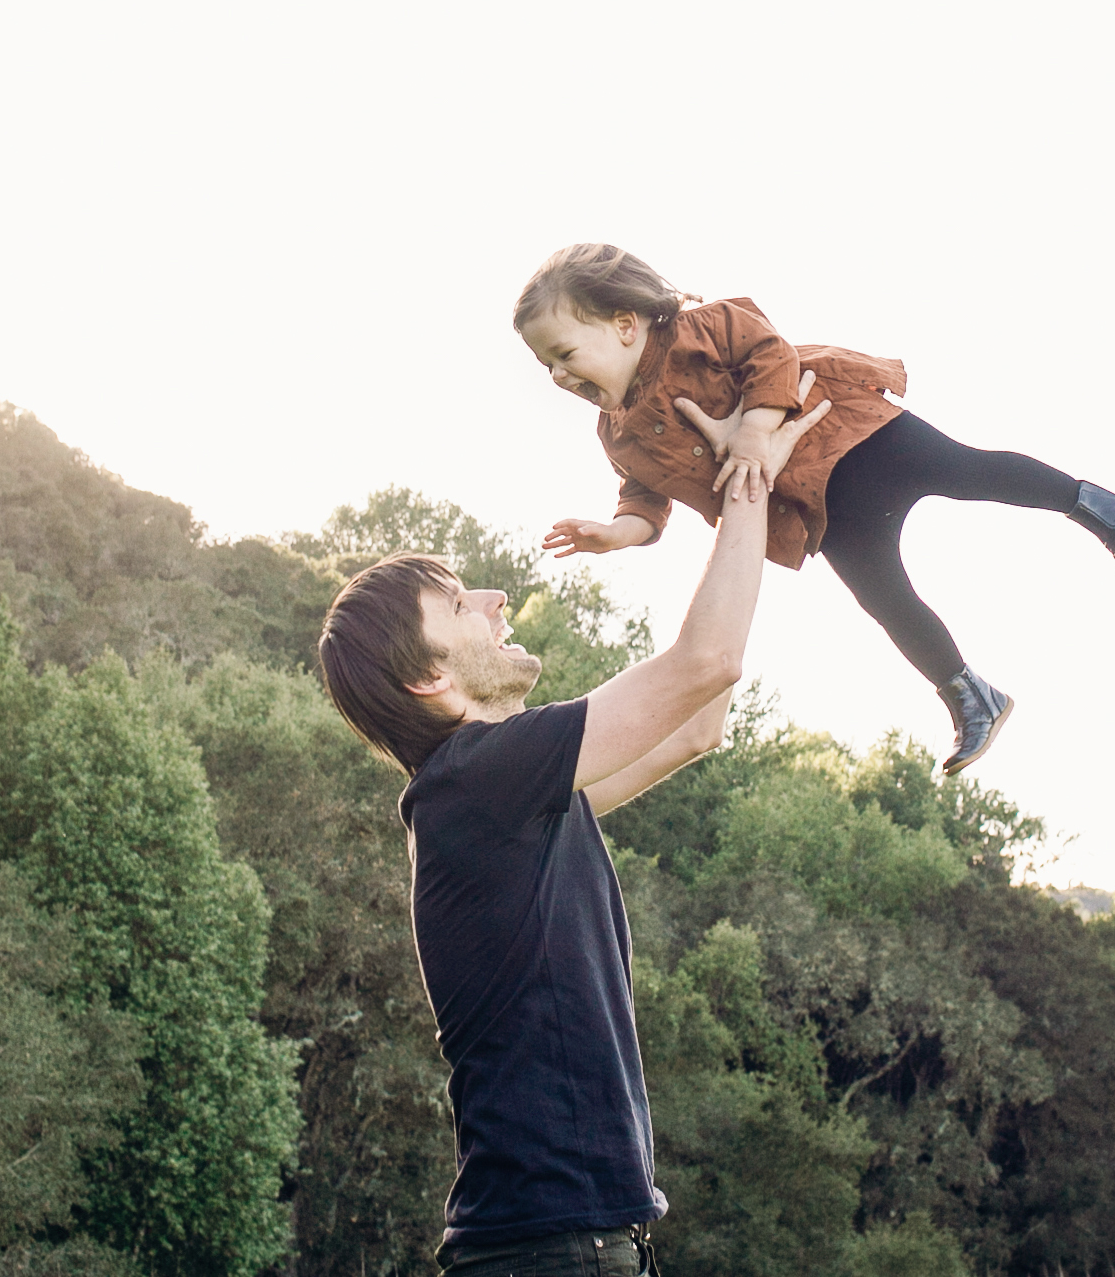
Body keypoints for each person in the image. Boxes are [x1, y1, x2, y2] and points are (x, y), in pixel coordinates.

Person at [316, 380, 827, 1276]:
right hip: (549, 1253)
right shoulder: (475, 782)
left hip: (573, 1246)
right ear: (428, 679)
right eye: (459, 603)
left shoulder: (508, 804)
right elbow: (704, 662)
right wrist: (749, 481)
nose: (496, 596)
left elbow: (698, 719)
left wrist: (726, 498)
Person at [513, 242, 1115, 775]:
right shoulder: (619, 435)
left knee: (968, 470)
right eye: (546, 367)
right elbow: (646, 501)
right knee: (883, 598)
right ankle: (971, 695)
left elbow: (769, 352)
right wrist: (617, 533)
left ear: (625, 324)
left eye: (565, 355)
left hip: (849, 435)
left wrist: (756, 431)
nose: (559, 378)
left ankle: (1099, 506)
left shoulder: (699, 329)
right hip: (814, 507)